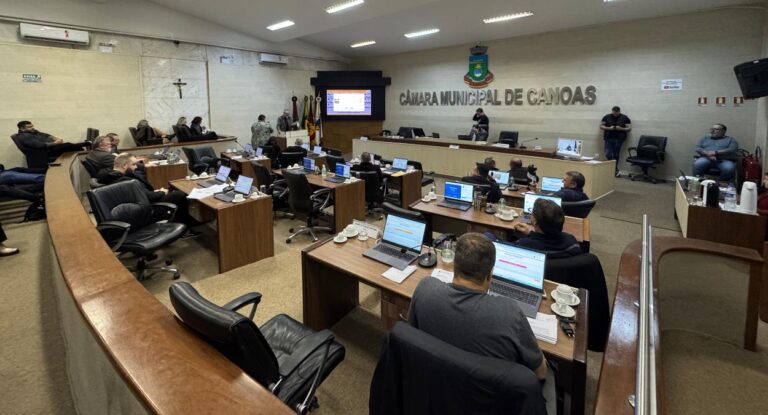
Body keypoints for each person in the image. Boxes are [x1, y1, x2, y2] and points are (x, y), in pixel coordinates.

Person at [408, 233, 550, 402]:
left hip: (432, 391)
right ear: (490, 276)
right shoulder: (510, 313)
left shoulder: (425, 288)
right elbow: (540, 373)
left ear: (454, 265)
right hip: (485, 403)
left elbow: (413, 336)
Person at [97, 153, 199, 234]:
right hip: (145, 208)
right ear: (124, 166)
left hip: (137, 204)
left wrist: (155, 192)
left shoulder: (111, 176)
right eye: (134, 165)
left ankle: (177, 222)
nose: (136, 167)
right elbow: (146, 197)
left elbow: (140, 193)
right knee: (179, 195)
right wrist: (162, 192)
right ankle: (186, 228)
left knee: (173, 192)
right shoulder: (125, 181)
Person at [513, 199, 582, 258]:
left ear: (535, 222)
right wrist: (531, 233)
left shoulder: (524, 245)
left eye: (532, 213)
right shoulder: (572, 242)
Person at [13, 120, 88, 161]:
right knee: (68, 145)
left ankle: (85, 149)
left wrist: (56, 138)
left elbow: (46, 135)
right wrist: (55, 143)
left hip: (52, 147)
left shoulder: (33, 132)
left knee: (71, 146)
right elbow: (39, 145)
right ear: (22, 129)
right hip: (45, 152)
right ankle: (85, 145)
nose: (32, 128)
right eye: (29, 127)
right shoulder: (24, 136)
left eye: (32, 126)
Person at [599, 106, 631, 176]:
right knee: (607, 153)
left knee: (616, 155)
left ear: (619, 111)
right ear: (612, 111)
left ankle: (613, 169)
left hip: (619, 139)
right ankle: (614, 168)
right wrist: (609, 128)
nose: (615, 114)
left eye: (616, 113)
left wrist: (621, 128)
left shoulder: (625, 117)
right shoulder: (607, 117)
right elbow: (601, 126)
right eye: (614, 113)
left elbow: (629, 128)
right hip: (608, 138)